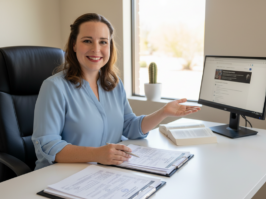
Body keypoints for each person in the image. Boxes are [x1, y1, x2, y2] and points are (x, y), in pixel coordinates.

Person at [32, 13, 200, 170]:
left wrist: (163, 112)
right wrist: (97, 154)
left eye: (103, 42)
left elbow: (130, 127)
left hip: (105, 173)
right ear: (74, 45)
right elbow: (48, 145)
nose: (96, 49)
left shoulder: (113, 84)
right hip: (62, 175)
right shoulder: (54, 87)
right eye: (87, 41)